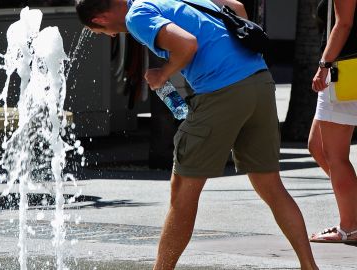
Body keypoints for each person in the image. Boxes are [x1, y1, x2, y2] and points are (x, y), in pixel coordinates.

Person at [75, 0, 319, 269]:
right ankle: (309, 266)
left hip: (222, 91)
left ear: (99, 20)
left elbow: (187, 44)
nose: (109, 35)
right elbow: (236, 6)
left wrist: (162, 74)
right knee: (271, 186)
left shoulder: (137, 17)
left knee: (182, 194)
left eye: (101, 32)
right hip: (259, 80)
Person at [308, 0, 357, 244]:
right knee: (317, 145)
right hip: (346, 69)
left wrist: (324, 65)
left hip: (344, 70)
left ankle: (350, 227)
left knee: (335, 155)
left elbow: (344, 23)